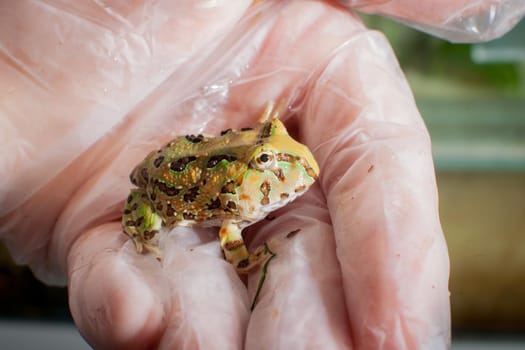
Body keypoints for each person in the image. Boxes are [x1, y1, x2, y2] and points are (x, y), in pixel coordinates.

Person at [0, 1, 523, 348]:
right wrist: (248, 259)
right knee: (147, 234)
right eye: (274, 162)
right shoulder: (235, 202)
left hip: (185, 154)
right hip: (159, 189)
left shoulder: (264, 158)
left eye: (279, 147)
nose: (297, 158)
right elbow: (231, 233)